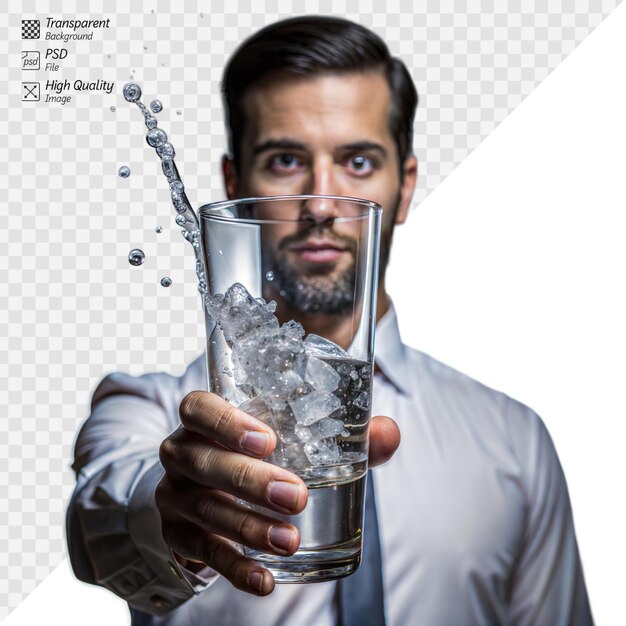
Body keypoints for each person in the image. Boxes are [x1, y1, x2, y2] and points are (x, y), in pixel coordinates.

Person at [67, 15, 593, 626]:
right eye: (287, 160)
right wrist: (171, 511)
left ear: (405, 185)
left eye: (359, 162)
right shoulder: (151, 409)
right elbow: (100, 526)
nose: (320, 203)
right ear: (236, 186)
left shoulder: (514, 442)